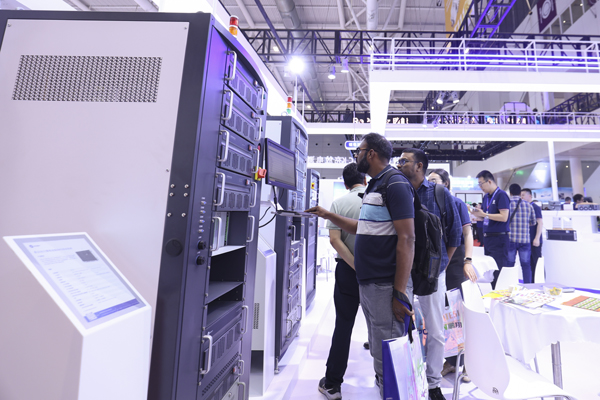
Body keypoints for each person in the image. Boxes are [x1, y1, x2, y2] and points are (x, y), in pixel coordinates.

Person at [307, 133, 415, 399]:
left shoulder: (395, 183)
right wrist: (328, 215)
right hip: (369, 282)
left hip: (385, 283)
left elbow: (407, 238)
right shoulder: (375, 185)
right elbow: (362, 228)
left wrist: (400, 292)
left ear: (371, 154)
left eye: (359, 151)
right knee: (379, 348)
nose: (356, 156)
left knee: (388, 352)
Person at [397, 150, 461, 400]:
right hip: (402, 271)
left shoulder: (439, 193)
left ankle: (433, 384)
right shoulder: (397, 190)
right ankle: (404, 379)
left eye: (404, 161)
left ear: (419, 166)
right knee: (401, 327)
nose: (399, 164)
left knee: (434, 330)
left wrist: (442, 265)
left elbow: (454, 234)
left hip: (433, 273)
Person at [317, 163, 366, 400]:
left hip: (348, 270)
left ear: (345, 184)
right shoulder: (380, 200)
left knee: (344, 326)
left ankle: (333, 384)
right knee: (381, 328)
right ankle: (386, 379)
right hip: (379, 273)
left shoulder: (339, 203)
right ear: (365, 180)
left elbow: (334, 240)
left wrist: (355, 265)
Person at [427, 169, 475, 383]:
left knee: (458, 313)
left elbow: (467, 233)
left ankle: (469, 364)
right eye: (428, 181)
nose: (430, 184)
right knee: (445, 314)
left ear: (445, 183)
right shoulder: (428, 203)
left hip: (455, 262)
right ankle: (451, 361)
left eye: (434, 180)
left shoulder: (457, 203)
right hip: (437, 262)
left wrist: (468, 260)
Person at [470, 170, 510, 289]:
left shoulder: (501, 195)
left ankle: (499, 294)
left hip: (499, 238)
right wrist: (476, 214)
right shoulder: (486, 197)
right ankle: (492, 293)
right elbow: (486, 216)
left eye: (481, 184)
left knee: (498, 270)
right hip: (488, 238)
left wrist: (484, 214)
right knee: (490, 271)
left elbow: (504, 217)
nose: (480, 187)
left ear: (489, 181)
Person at [506, 184, 536, 283]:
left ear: (510, 193)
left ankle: (509, 285)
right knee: (526, 265)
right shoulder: (528, 205)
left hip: (510, 239)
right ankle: (528, 286)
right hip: (524, 240)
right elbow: (533, 222)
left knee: (509, 264)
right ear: (520, 193)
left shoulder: (506, 204)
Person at [521, 188, 544, 280]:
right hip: (526, 240)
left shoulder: (535, 207)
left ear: (529, 196)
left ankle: (538, 282)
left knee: (536, 263)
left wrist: (537, 238)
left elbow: (540, 223)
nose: (521, 197)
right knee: (529, 263)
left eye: (523, 195)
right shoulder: (524, 207)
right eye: (520, 195)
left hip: (534, 240)